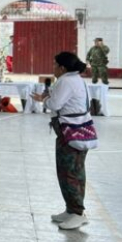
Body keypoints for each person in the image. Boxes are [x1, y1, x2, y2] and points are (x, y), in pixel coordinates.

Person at [31, 52, 93, 231]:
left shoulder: (67, 80)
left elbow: (55, 105)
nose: (53, 68)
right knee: (66, 170)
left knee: (71, 172)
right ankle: (71, 209)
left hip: (71, 131)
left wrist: (45, 99)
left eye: (54, 64)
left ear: (62, 67)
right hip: (72, 130)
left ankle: (78, 213)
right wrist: (46, 98)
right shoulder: (74, 79)